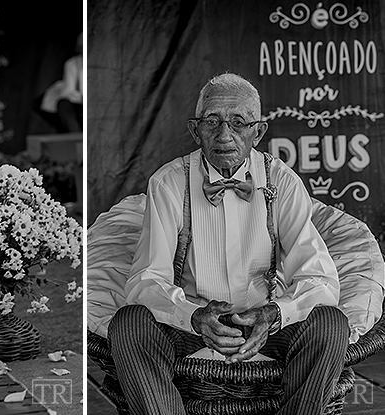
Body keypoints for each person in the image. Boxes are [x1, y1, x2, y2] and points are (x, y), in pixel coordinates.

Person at [108, 73, 347, 414]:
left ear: (258, 131)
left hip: (265, 321)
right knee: (129, 324)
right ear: (195, 130)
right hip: (190, 323)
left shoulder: (281, 181)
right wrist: (192, 316)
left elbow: (320, 278)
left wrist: (275, 313)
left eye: (238, 123)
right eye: (212, 122)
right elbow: (146, 279)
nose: (224, 135)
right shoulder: (169, 183)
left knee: (330, 325)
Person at [40, 33, 83, 132]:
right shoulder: (72, 64)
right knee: (63, 104)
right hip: (79, 102)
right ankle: (77, 139)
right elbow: (68, 91)